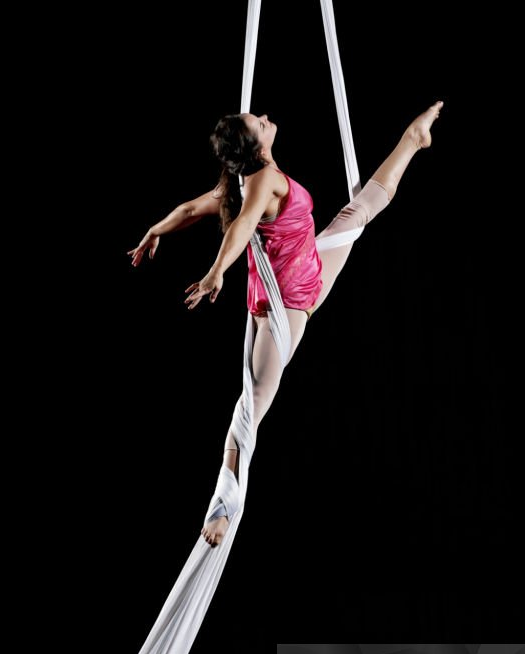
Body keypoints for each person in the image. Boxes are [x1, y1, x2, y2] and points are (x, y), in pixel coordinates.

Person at [128, 102, 444, 546]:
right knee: (253, 403)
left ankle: (413, 138)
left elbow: (188, 209)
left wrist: (156, 230)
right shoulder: (261, 183)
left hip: (308, 264)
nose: (263, 117)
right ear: (255, 146)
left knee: (361, 211)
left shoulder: (240, 181)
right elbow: (241, 227)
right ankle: (223, 504)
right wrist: (217, 270)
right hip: (287, 304)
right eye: (256, 123)